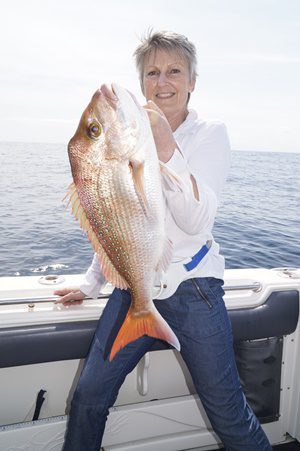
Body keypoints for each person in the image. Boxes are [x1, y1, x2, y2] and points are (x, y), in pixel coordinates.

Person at [55, 31, 273, 451]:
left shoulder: (210, 134)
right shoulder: (129, 130)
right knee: (87, 399)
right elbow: (116, 217)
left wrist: (166, 146)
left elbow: (197, 220)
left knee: (228, 413)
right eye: (152, 72)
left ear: (192, 81)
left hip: (195, 292)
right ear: (142, 83)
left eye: (174, 71)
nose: (163, 81)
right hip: (132, 290)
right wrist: (90, 283)